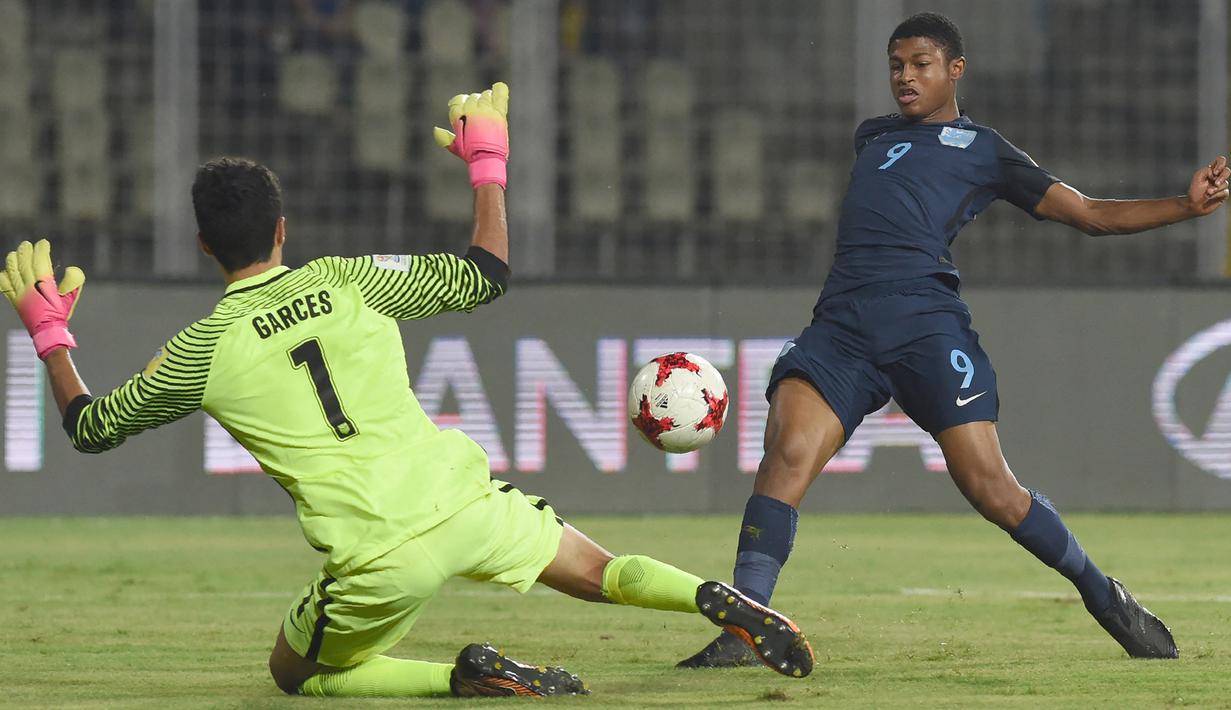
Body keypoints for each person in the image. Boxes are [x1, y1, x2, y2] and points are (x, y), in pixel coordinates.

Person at [1, 83, 814, 698]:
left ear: (204, 244)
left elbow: (91, 426)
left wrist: (51, 336)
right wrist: (487, 163)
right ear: (283, 230)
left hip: (378, 556)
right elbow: (487, 272)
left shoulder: (200, 349)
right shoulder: (349, 280)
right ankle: (713, 595)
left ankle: (461, 678)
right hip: (464, 500)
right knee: (602, 572)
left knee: (293, 676)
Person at [679, 12, 1228, 668]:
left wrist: (1183, 205)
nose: (904, 77)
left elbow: (1088, 215)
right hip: (841, 326)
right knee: (785, 454)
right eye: (894, 65)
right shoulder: (872, 136)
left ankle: (1101, 594)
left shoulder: (985, 150)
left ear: (954, 69)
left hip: (924, 326)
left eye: (919, 64)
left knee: (991, 489)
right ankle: (746, 630)